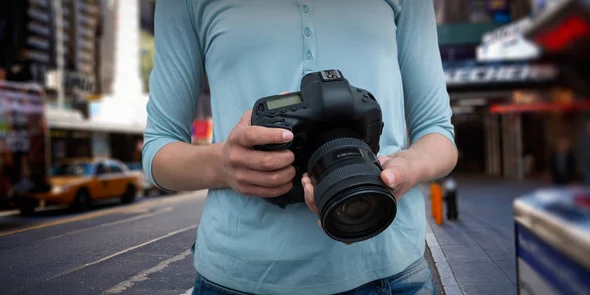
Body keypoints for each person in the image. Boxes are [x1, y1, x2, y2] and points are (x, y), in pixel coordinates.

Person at [143, 1, 457, 294]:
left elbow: (437, 131)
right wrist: (225, 165)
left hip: (391, 270)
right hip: (237, 278)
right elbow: (159, 147)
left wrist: (406, 169)